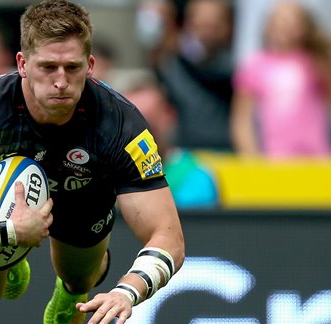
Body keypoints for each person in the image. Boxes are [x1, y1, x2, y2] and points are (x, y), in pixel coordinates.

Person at [0, 0, 185, 324]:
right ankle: (9, 253)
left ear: (91, 66)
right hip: (3, 216)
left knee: (80, 275)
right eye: (48, 67)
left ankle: (71, 287)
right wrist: (8, 232)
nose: (61, 82)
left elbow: (168, 237)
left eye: (72, 67)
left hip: (83, 197)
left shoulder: (121, 124)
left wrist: (128, 291)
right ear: (22, 64)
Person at [231, 1, 331, 158]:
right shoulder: (255, 66)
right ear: (268, 26)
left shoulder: (316, 63)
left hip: (317, 158)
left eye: (292, 21)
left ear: (305, 27)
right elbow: (242, 120)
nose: (285, 26)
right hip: (276, 160)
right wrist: (252, 157)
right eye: (280, 20)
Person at [122, 72, 218, 208]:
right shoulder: (107, 175)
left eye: (150, 123)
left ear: (169, 115)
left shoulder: (195, 176)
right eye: (130, 125)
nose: (140, 137)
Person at [153, 0, 234, 151]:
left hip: (227, 153)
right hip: (186, 152)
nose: (208, 33)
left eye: (214, 26)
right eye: (201, 25)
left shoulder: (236, 69)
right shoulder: (171, 65)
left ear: (228, 27)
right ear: (188, 25)